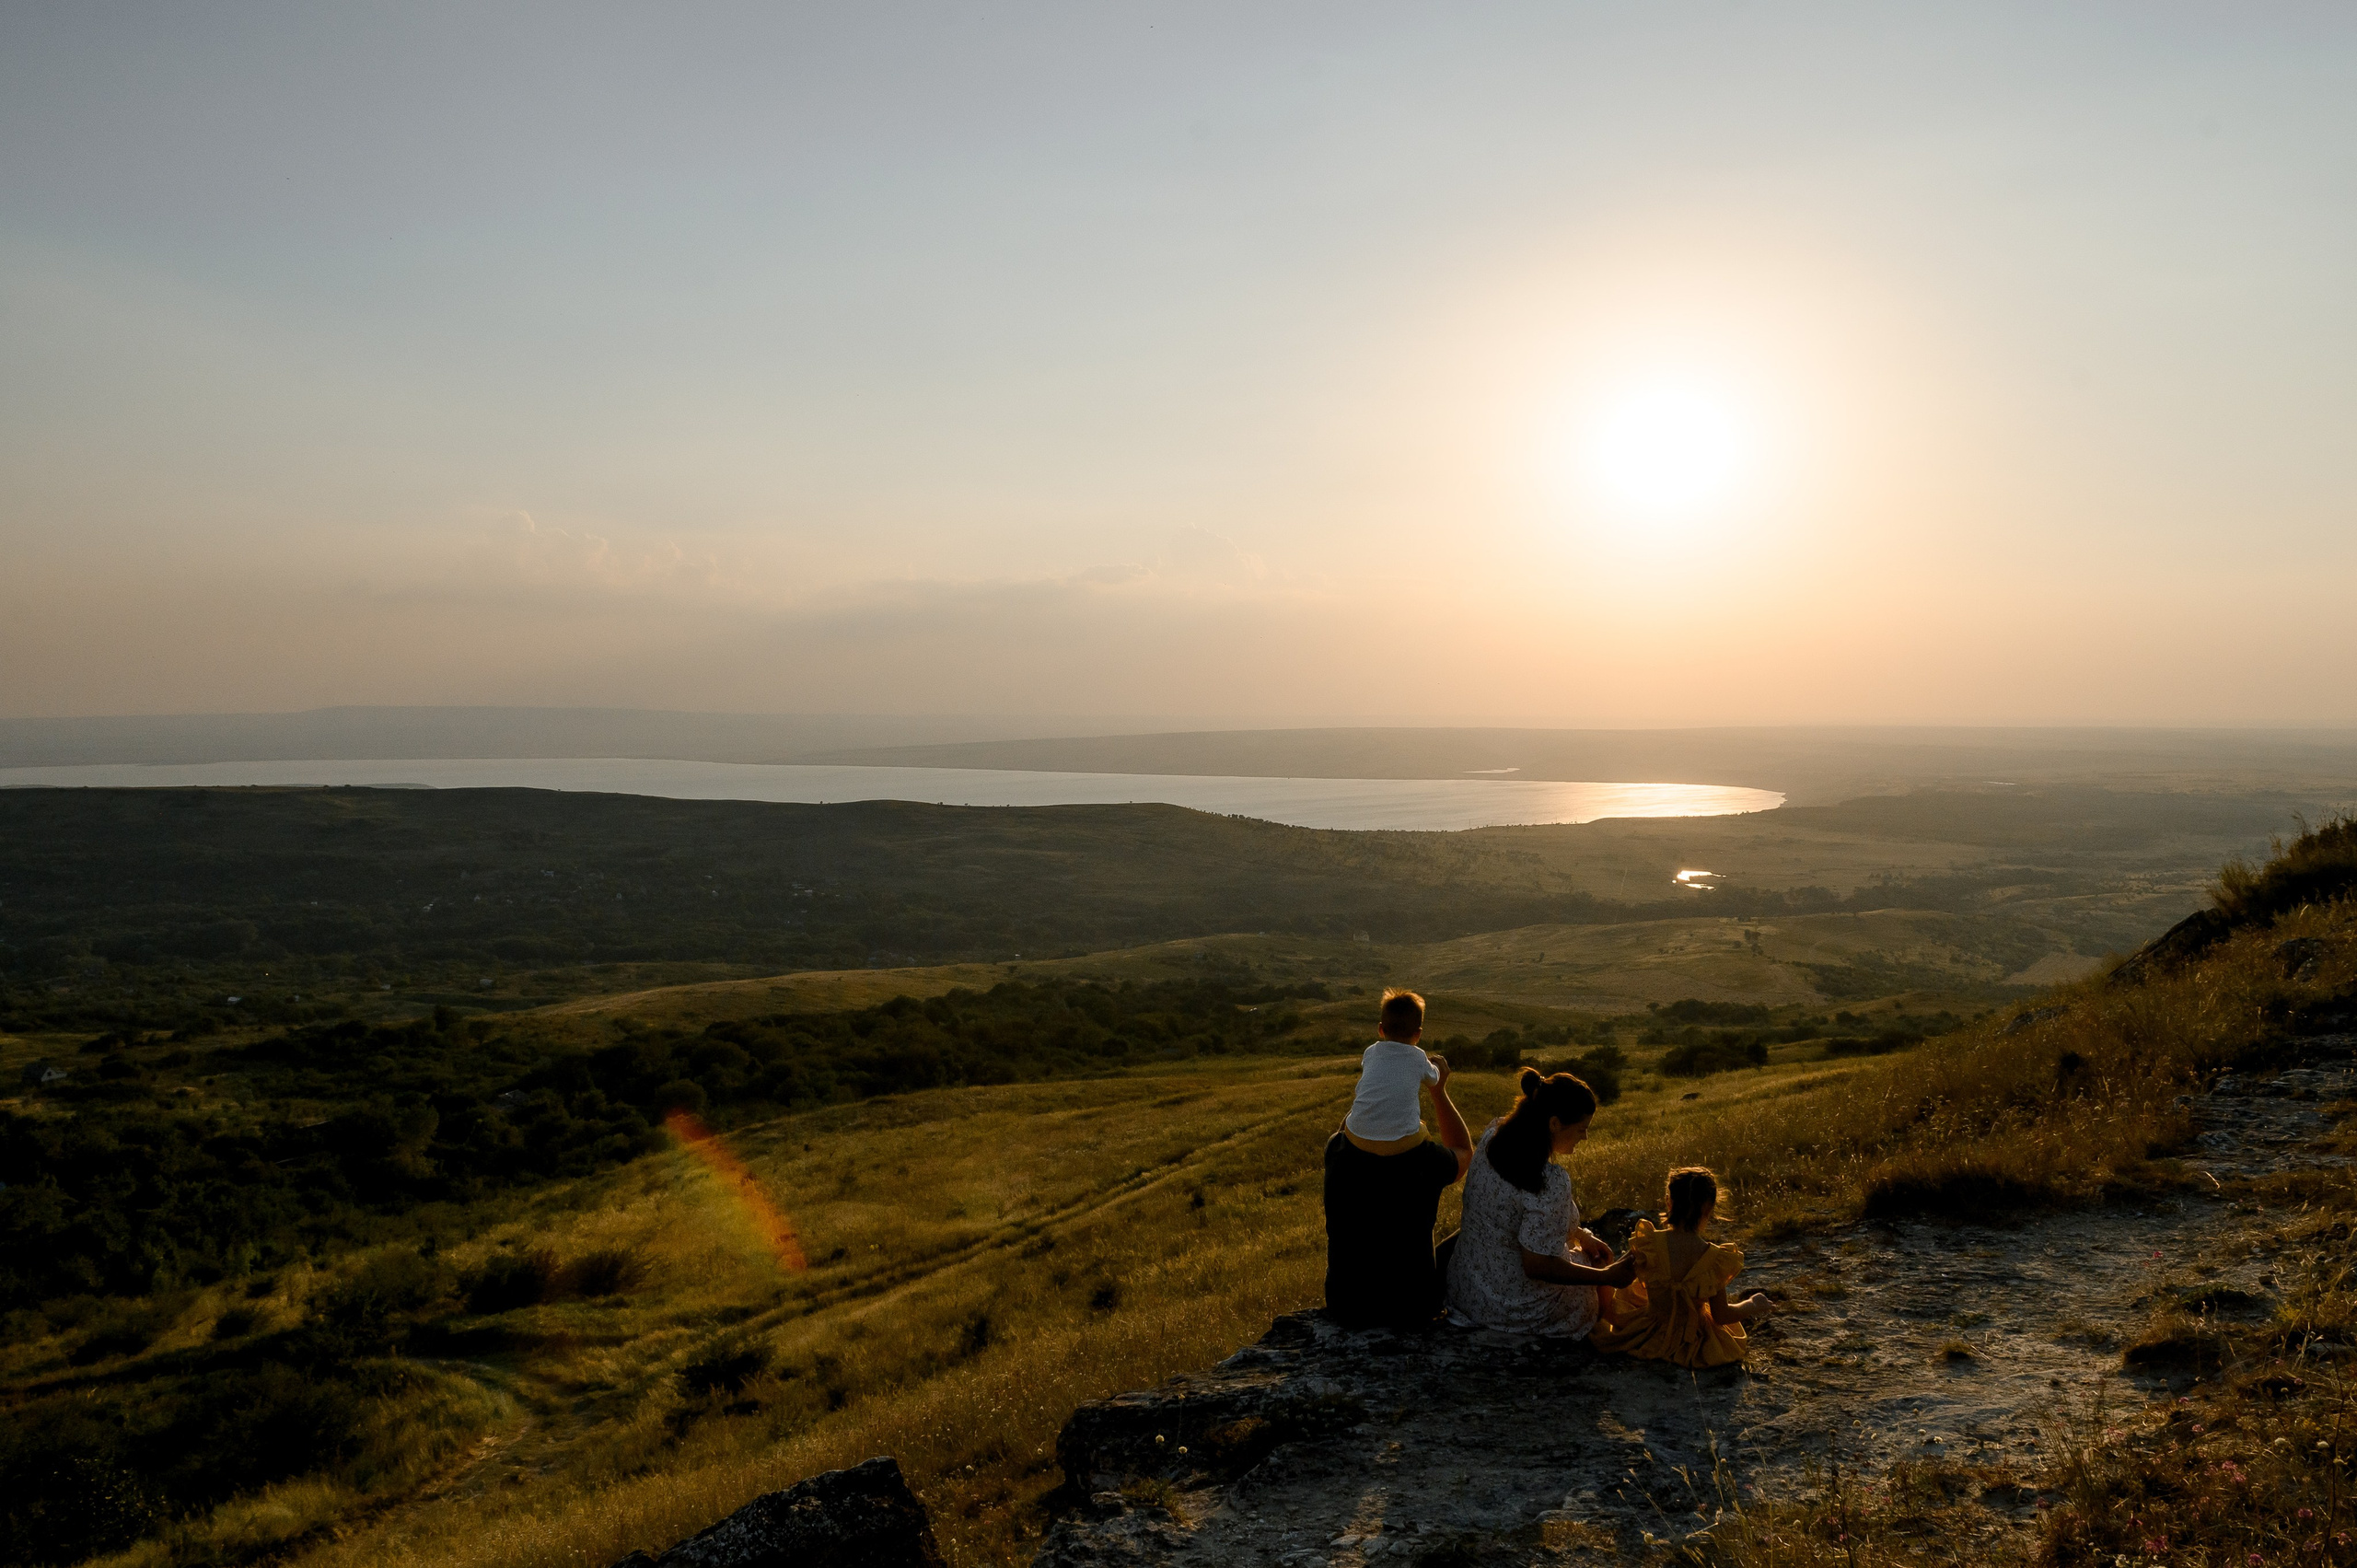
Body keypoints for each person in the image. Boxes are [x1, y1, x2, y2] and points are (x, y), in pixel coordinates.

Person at [1321, 989, 1474, 1329]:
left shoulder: (1337, 1152)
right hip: (1411, 1307)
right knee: (1472, 1235)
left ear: (1380, 1029)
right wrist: (1439, 1090)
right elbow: (1464, 1152)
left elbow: (1349, 1128)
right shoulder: (1426, 1160)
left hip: (1347, 1306)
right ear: (1417, 1035)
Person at [1444, 1069, 1635, 1338]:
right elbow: (1538, 1266)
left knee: (1588, 1254)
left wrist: (1581, 1234)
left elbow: (1513, 1219)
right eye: (1582, 1129)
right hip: (1513, 1307)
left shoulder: (1493, 1136)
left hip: (1468, 1290)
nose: (1585, 1137)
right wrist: (1607, 1277)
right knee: (1597, 1270)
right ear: (1555, 1124)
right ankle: (1603, 1330)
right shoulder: (1548, 1181)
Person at [1591, 1166, 1771, 1367]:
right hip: (1695, 1340)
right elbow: (1722, 1316)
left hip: (1648, 1333)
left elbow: (1615, 1277)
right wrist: (1752, 1304)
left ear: (1669, 1202)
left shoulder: (1649, 1245)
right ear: (1709, 1208)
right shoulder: (1714, 1259)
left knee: (1627, 1298)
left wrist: (1600, 1271)